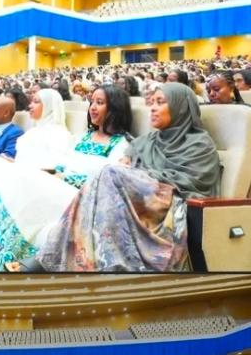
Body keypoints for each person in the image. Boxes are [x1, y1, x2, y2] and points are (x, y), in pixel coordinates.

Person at [36, 83, 221, 271]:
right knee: (108, 175)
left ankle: (95, 262)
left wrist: (137, 174)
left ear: (180, 107)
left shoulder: (200, 145)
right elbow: (128, 168)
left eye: (160, 102)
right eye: (152, 102)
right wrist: (130, 171)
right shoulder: (146, 142)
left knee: (111, 173)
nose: (153, 108)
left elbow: (192, 182)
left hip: (170, 205)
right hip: (138, 200)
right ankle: (69, 258)